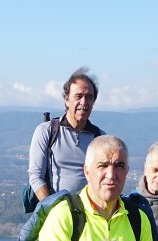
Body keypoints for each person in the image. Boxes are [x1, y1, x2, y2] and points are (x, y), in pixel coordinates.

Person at [27, 68, 105, 206]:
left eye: (89, 97)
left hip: (90, 212)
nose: (83, 102)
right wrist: (51, 209)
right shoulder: (47, 131)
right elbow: (35, 176)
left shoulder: (100, 139)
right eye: (78, 96)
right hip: (54, 209)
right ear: (66, 100)